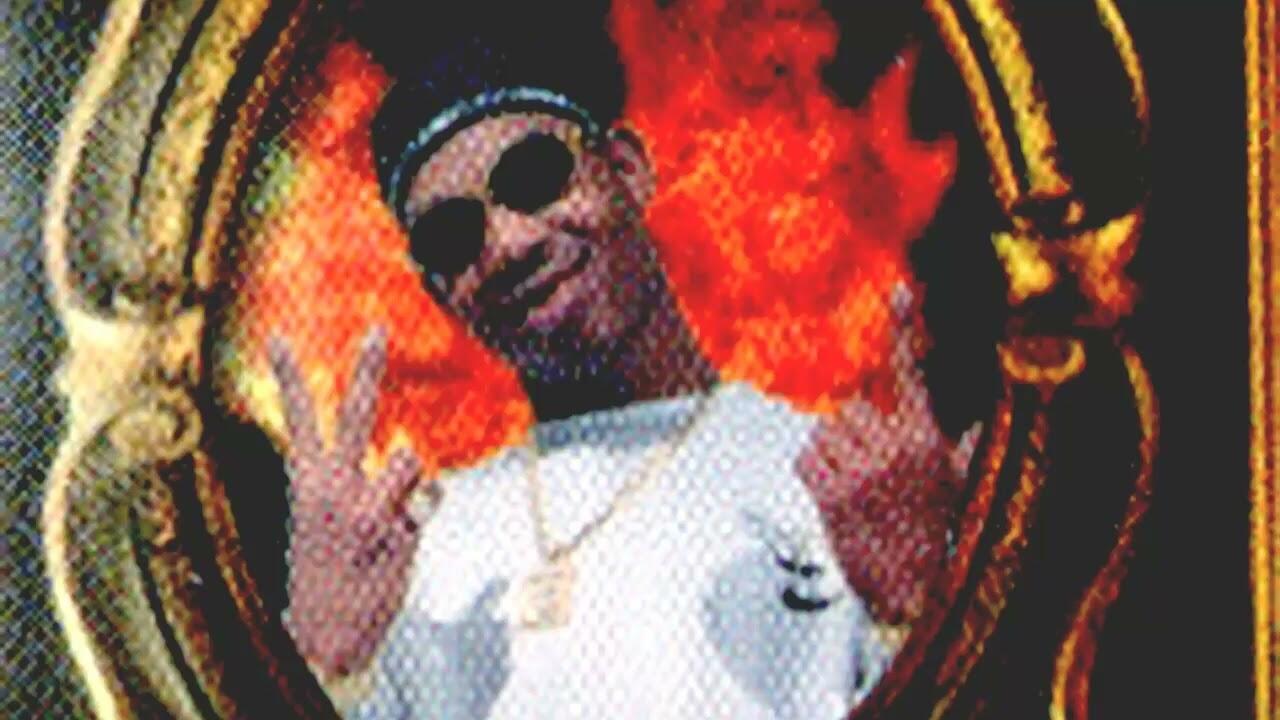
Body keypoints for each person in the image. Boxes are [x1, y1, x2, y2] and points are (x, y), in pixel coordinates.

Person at [267, 10, 972, 719]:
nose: (508, 243)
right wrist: (323, 662)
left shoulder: (849, 490)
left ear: (627, 170)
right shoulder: (408, 560)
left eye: (534, 176)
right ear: (441, 295)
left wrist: (918, 611)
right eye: (453, 235)